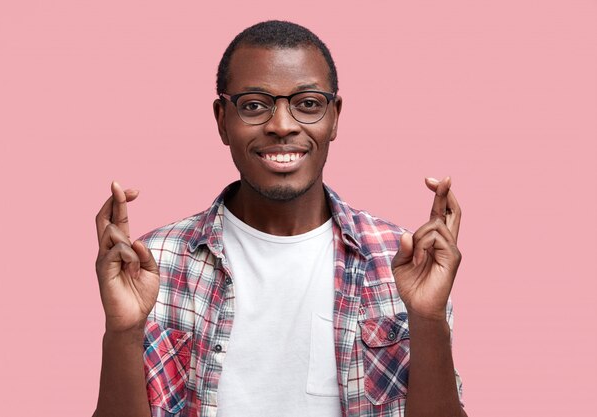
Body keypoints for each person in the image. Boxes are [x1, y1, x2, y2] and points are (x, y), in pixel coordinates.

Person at [92, 20, 467, 417]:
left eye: (307, 104)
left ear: (334, 117)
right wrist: (123, 332)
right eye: (254, 105)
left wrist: (427, 319)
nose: (282, 125)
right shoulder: (154, 262)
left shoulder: (402, 259)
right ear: (222, 120)